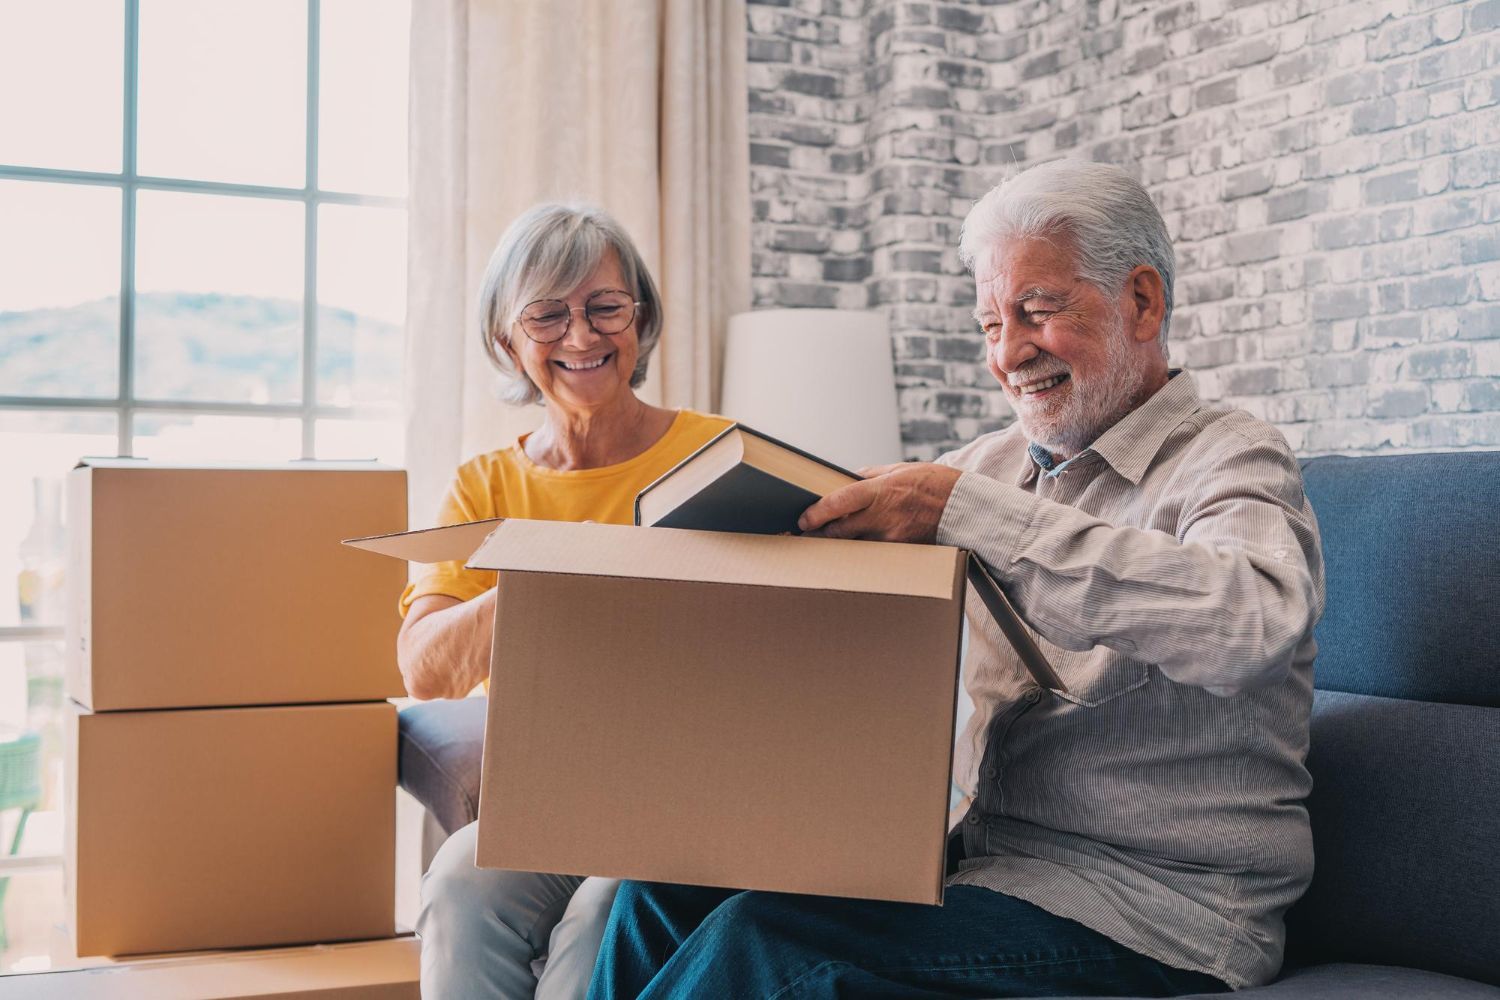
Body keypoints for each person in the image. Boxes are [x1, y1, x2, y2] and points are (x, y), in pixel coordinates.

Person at [589, 159, 1324, 998]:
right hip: (983, 867)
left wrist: (964, 514)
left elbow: (1252, 624)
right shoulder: (988, 469)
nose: (1009, 353)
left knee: (766, 943)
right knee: (658, 892)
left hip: (1160, 911)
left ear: (1143, 302)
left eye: (1038, 312)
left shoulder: (1231, 454)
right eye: (989, 324)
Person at [401, 202, 732, 999]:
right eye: (547, 316)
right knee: (455, 881)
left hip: (692, 795)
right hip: (548, 797)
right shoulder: (485, 486)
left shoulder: (717, 456)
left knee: (600, 918)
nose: (581, 338)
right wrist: (545, 578)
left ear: (641, 319)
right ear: (507, 340)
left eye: (604, 308)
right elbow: (424, 670)